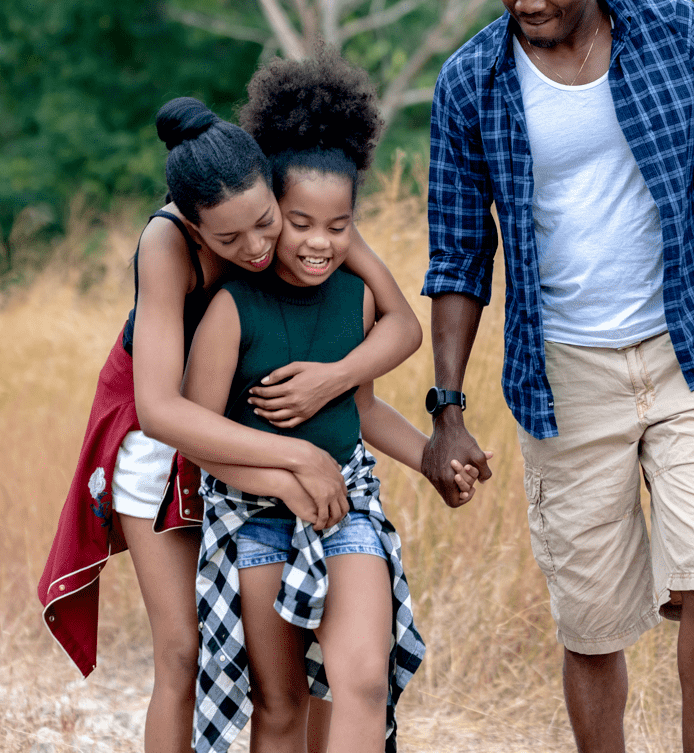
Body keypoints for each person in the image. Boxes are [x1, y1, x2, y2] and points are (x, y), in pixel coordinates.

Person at [420, 0, 694, 753]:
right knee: (592, 623)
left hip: (690, 343)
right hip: (563, 375)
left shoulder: (676, 31)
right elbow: (457, 254)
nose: (529, 2)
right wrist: (447, 407)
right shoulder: (471, 81)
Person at [38, 96, 430, 753]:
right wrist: (296, 461)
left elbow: (398, 321)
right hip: (161, 436)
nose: (255, 247)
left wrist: (333, 380)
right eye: (228, 240)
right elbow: (162, 411)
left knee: (309, 662)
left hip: (248, 430)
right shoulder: (166, 244)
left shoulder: (297, 212)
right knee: (185, 650)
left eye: (265, 224)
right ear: (193, 226)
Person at [183, 53, 459, 753]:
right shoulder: (231, 310)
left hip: (346, 510)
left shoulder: (356, 298)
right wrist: (282, 479)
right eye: (300, 222)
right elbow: (199, 438)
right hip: (256, 521)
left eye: (339, 227)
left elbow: (362, 409)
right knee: (280, 707)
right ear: (272, 213)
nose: (319, 242)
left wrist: (430, 457)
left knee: (361, 683)